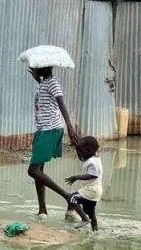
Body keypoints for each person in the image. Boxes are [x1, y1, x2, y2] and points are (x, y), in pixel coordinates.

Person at [26, 66, 88, 222]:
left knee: (33, 170)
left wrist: (70, 126)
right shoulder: (44, 82)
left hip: (50, 129)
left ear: (44, 69)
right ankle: (42, 210)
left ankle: (68, 197)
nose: (33, 69)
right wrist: (38, 80)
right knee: (38, 170)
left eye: (36, 68)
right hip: (43, 129)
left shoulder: (53, 83)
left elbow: (62, 104)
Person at [65, 136, 103, 232]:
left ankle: (84, 219)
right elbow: (81, 156)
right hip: (95, 191)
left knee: (72, 198)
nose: (80, 154)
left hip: (91, 189)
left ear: (88, 151)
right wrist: (77, 146)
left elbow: (91, 175)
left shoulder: (92, 162)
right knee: (90, 212)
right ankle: (95, 231)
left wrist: (76, 177)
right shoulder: (93, 157)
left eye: (81, 151)